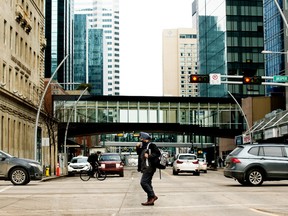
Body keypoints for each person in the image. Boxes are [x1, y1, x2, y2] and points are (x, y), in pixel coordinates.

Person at [136, 132, 161, 206]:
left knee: (143, 182)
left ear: (145, 138)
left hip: (149, 167)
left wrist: (149, 156)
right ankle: (150, 200)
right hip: (145, 167)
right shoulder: (143, 146)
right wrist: (137, 147)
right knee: (148, 183)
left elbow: (158, 153)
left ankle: (152, 196)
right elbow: (139, 154)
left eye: (141, 138)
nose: (140, 139)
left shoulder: (151, 145)